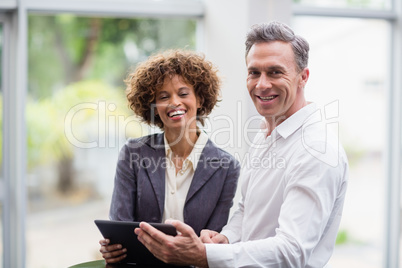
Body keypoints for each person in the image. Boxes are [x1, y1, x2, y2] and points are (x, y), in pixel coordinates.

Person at [134, 21, 349, 268]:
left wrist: (204, 256)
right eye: (254, 72)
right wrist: (225, 238)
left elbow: (292, 250)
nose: (262, 84)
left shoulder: (317, 150)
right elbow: (248, 211)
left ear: (303, 77)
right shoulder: (266, 134)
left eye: (275, 72)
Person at [99, 49, 241, 264]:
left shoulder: (226, 167)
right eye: (163, 97)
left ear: (200, 99)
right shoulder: (133, 153)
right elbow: (120, 226)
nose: (175, 102)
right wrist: (114, 248)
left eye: (183, 94)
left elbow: (212, 242)